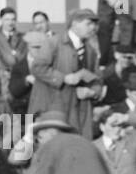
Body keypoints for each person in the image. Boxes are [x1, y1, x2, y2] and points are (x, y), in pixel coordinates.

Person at [28, 8, 105, 139]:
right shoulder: (53, 43)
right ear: (75, 24)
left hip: (79, 112)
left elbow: (98, 78)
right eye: (88, 23)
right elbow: (37, 67)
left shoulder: (90, 50)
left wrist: (92, 92)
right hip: (53, 108)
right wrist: (63, 78)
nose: (93, 27)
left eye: (95, 24)